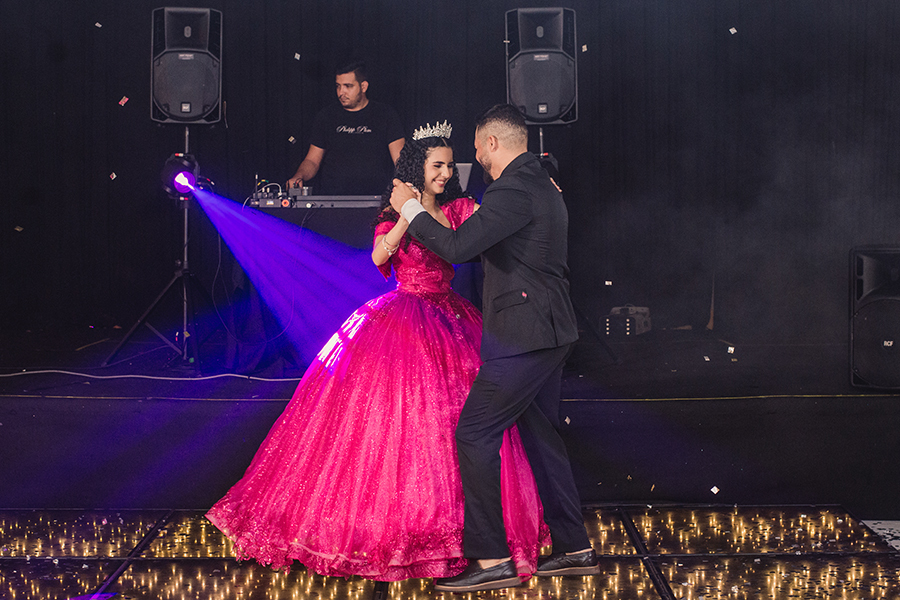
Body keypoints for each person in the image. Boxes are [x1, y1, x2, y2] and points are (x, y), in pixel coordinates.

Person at [207, 122, 550, 582]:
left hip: (451, 319)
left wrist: (539, 191)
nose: (446, 173)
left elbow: (494, 225)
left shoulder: (461, 207)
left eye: (450, 164)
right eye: (438, 165)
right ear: (417, 169)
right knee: (388, 420)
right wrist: (407, 212)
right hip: (403, 319)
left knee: (461, 422)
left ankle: (473, 538)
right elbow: (378, 259)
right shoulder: (395, 211)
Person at [390, 104, 600, 593]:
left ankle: (491, 560)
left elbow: (459, 248)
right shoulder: (539, 181)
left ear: (489, 143)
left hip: (525, 335)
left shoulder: (514, 188)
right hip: (548, 331)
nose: (474, 160)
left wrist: (411, 208)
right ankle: (574, 549)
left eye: (477, 148)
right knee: (542, 436)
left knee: (473, 432)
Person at [286, 60, 405, 195]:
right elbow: (312, 160)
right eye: (338, 86)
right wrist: (299, 176)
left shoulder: (385, 115)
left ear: (364, 86)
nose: (341, 92)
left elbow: (400, 160)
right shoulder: (326, 116)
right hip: (332, 200)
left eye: (348, 86)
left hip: (376, 199)